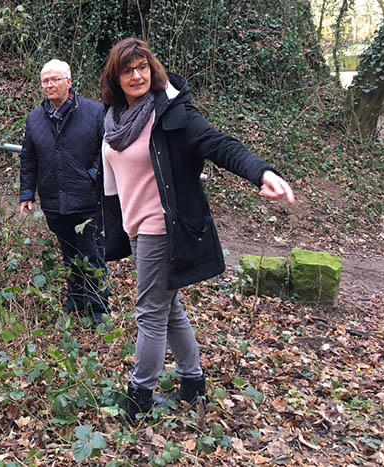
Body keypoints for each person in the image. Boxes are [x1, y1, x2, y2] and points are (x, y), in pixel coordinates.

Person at [98, 38, 295, 419]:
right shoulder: (113, 118)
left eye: (142, 67)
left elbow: (216, 143)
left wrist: (262, 172)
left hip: (162, 228)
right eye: (127, 70)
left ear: (153, 70)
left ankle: (139, 396)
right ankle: (192, 384)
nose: (136, 75)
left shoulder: (171, 114)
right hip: (135, 227)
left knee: (150, 311)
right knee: (169, 310)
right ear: (116, 77)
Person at [19, 59, 110, 325]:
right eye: (45, 81)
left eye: (55, 79)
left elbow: (106, 150)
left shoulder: (94, 112)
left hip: (87, 200)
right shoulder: (35, 119)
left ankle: (98, 311)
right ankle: (76, 300)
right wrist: (27, 193)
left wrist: (92, 176)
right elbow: (28, 158)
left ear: (69, 82)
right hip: (54, 201)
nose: (49, 85)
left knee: (92, 256)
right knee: (69, 255)